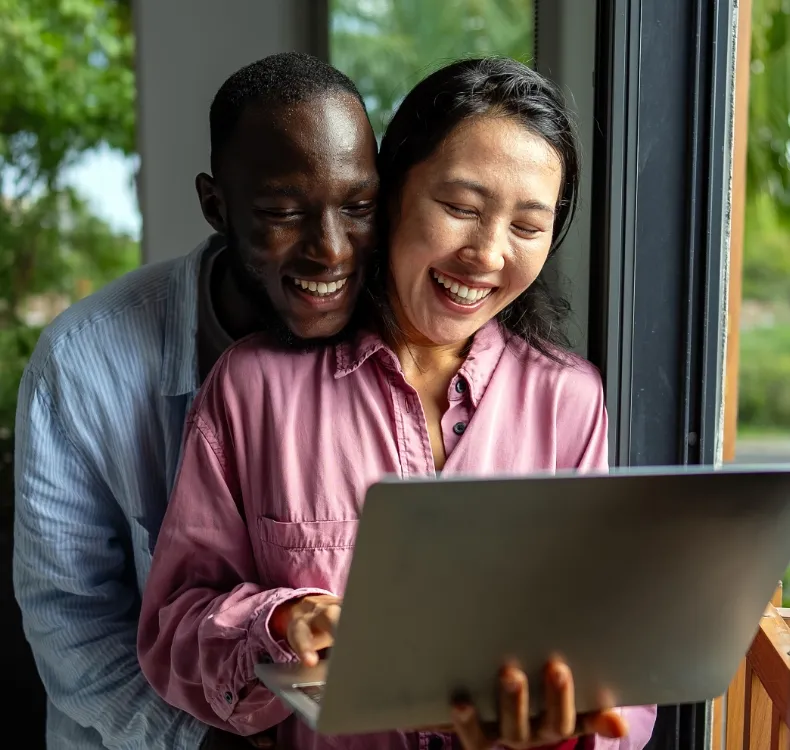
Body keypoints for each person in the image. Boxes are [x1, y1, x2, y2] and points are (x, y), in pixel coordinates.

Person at [138, 57, 657, 750]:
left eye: (527, 227)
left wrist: (565, 726)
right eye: (462, 209)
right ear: (391, 198)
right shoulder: (253, 387)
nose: (487, 253)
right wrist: (284, 619)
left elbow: (615, 650)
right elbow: (174, 632)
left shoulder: (568, 399)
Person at [13, 52, 378, 750]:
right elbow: (72, 621)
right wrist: (210, 741)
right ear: (216, 206)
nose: (331, 251)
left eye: (358, 206)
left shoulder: (395, 345)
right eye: (281, 213)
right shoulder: (84, 363)